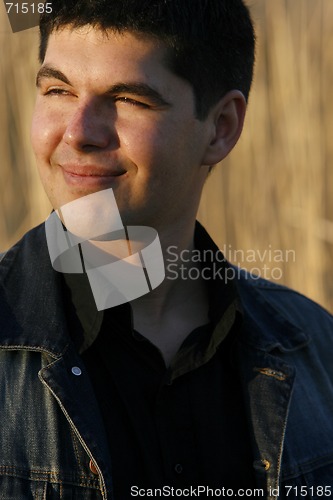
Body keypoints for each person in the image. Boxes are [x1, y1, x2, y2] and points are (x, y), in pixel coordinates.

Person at [0, 0, 332, 498]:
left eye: (130, 100)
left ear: (221, 128)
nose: (78, 133)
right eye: (58, 90)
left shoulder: (316, 348)